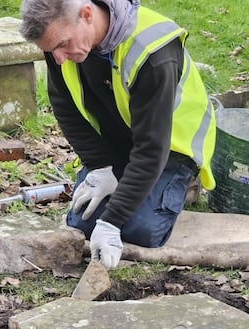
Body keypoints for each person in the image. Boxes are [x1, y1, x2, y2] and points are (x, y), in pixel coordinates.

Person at [20, 0, 216, 269]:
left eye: (62, 45)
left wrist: (112, 222)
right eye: (50, 49)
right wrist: (99, 166)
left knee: (140, 231)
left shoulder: (153, 52)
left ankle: (182, 186)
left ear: (87, 15)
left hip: (169, 148)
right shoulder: (59, 42)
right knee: (81, 223)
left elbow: (150, 149)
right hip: (118, 141)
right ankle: (129, 186)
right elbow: (65, 108)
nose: (58, 58)